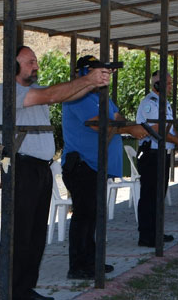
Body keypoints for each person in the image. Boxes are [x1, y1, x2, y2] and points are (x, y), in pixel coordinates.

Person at [0, 47, 110, 300]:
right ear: (13, 66)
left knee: (34, 237)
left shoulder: (34, 90)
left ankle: (23, 290)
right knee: (19, 235)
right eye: (30, 61)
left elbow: (64, 95)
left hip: (38, 169)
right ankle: (5, 294)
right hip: (21, 167)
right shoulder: (8, 92)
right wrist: (88, 79)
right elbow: (53, 95)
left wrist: (92, 82)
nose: (36, 66)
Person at [61, 55, 148, 280]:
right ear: (84, 73)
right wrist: (129, 129)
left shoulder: (101, 97)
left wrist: (129, 125)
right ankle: (78, 266)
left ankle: (90, 260)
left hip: (95, 165)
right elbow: (100, 126)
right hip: (82, 165)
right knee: (84, 215)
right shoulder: (76, 96)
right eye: (96, 71)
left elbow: (117, 117)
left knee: (92, 215)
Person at [135, 71, 178, 247]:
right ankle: (146, 235)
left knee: (160, 194)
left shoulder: (164, 103)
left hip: (162, 153)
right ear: (157, 84)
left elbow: (169, 129)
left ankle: (156, 231)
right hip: (151, 154)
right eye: (167, 83)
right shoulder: (149, 103)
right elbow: (157, 130)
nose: (170, 87)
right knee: (149, 195)